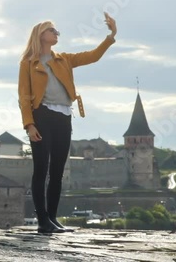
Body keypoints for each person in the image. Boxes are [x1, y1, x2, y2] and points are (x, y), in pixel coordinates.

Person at [18, 12, 117, 233]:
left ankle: (52, 219)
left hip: (63, 116)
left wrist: (111, 37)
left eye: (57, 31)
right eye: (52, 30)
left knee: (58, 170)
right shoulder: (28, 63)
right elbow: (24, 96)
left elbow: (93, 56)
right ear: (40, 34)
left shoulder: (65, 59)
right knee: (41, 169)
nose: (56, 33)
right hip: (41, 115)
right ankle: (42, 220)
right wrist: (29, 124)